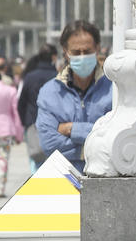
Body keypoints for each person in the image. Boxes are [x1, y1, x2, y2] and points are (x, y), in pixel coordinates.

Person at [35, 20, 112, 173]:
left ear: (97, 49)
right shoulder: (49, 92)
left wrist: (71, 129)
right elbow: (49, 144)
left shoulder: (114, 89)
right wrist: (94, 148)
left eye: (87, 51)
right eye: (76, 52)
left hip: (105, 178)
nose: (82, 56)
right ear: (66, 52)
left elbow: (116, 140)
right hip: (64, 181)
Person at [17, 43, 59, 170]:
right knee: (55, 161)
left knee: (35, 158)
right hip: (56, 125)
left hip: (32, 123)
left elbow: (21, 102)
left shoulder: (30, 77)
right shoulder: (58, 76)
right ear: (54, 57)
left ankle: (37, 185)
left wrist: (25, 122)